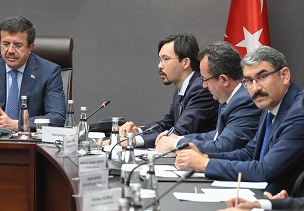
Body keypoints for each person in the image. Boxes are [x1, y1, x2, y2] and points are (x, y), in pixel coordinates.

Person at [175, 46, 304, 195]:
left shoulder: (298, 113)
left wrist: (206, 164)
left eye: (262, 77)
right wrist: (204, 157)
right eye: (249, 80)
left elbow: (264, 170)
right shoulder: (269, 106)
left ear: (284, 75)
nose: (255, 88)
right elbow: (249, 154)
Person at [0, 16, 66, 130]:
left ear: (30, 47)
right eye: (5, 44)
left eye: (18, 45)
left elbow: (57, 117)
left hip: (30, 139)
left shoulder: (49, 72)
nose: (10, 50)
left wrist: (18, 125)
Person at [156, 41, 262, 153]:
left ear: (224, 80)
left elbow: (223, 146)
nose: (204, 85)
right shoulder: (227, 100)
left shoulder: (244, 101)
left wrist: (176, 144)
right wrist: (179, 138)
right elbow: (217, 135)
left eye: (205, 79)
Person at [119, 33, 218, 148]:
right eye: (160, 60)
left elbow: (180, 132)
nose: (160, 66)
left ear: (185, 62)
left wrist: (134, 141)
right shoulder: (184, 87)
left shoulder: (201, 88)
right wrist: (138, 132)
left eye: (165, 59)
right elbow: (166, 123)